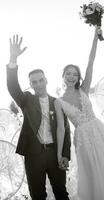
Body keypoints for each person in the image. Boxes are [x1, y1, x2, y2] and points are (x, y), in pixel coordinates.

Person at [54, 27, 104, 200]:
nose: (71, 76)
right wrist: (60, 154)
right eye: (68, 73)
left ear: (79, 77)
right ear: (63, 76)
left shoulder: (84, 89)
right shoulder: (58, 102)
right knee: (93, 170)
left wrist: (95, 39)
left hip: (98, 131)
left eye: (75, 74)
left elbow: (91, 61)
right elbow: (61, 129)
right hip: (82, 138)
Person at [6, 35, 71, 200]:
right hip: (33, 156)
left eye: (41, 80)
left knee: (61, 193)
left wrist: (65, 154)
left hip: (54, 153)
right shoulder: (26, 100)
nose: (38, 84)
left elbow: (66, 131)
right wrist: (13, 59)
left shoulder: (58, 103)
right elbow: (13, 87)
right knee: (37, 196)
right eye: (34, 82)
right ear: (31, 85)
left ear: (46, 80)